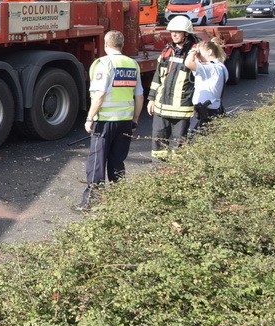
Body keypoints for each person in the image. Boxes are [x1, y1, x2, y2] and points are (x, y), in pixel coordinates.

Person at [77, 30, 144, 210]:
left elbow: (100, 95)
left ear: (106, 45)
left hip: (105, 122)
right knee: (117, 160)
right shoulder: (133, 65)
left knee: (97, 161)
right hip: (125, 121)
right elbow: (139, 97)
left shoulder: (104, 64)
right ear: (121, 45)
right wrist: (135, 119)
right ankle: (119, 200)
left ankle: (92, 201)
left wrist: (90, 118)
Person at [148, 15, 198, 159]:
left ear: (186, 33)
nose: (174, 34)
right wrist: (151, 99)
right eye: (172, 32)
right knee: (158, 146)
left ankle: (176, 175)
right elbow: (157, 77)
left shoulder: (194, 53)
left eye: (177, 31)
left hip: (182, 111)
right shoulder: (167, 52)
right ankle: (158, 173)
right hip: (161, 108)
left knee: (179, 148)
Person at [185, 37, 228, 132]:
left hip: (205, 113)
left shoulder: (210, 68)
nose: (198, 54)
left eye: (199, 52)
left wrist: (192, 52)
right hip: (214, 110)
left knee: (195, 141)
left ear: (209, 52)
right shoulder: (221, 66)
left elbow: (188, 63)